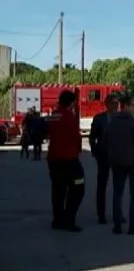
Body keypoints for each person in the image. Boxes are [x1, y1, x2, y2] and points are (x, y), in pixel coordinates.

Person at [104, 94, 134, 235]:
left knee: (117, 194)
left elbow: (105, 141)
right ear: (126, 105)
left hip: (117, 162)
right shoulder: (132, 121)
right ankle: (133, 226)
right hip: (133, 162)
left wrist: (111, 157)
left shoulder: (112, 121)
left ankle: (117, 226)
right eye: (133, 105)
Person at [46, 90, 85, 232]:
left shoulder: (53, 115)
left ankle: (57, 220)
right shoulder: (69, 116)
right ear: (72, 102)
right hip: (69, 160)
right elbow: (77, 136)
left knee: (58, 191)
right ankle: (69, 220)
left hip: (53, 159)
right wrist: (79, 150)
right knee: (78, 188)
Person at [89, 94, 118, 224]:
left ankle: (118, 214)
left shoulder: (120, 118)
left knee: (119, 186)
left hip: (118, 157)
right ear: (107, 104)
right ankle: (101, 214)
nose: (116, 106)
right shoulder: (99, 118)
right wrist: (95, 152)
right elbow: (92, 137)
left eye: (117, 103)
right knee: (102, 186)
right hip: (104, 156)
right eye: (113, 103)